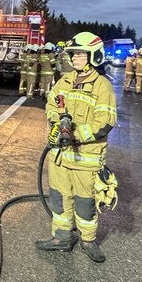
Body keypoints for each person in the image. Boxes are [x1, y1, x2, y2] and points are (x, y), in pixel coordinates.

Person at [36, 31, 117, 263]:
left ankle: (88, 241)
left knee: (85, 202)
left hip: (86, 159)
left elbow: (106, 122)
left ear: (94, 56)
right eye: (72, 54)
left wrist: (75, 134)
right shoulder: (65, 81)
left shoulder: (102, 86)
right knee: (60, 198)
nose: (74, 58)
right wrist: (55, 123)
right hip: (60, 157)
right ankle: (62, 237)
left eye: (80, 54)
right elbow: (51, 104)